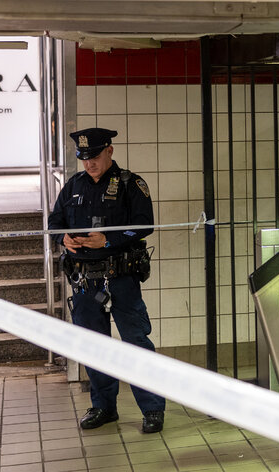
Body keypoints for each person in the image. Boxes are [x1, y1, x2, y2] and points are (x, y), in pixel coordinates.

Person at [48, 127, 165, 434]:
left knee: (136, 343)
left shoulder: (130, 184)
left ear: (109, 151)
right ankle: (103, 406)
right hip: (85, 280)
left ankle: (152, 408)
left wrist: (109, 240)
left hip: (120, 277)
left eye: (95, 157)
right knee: (93, 345)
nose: (90, 164)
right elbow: (55, 221)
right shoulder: (73, 185)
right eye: (84, 158)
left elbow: (144, 225)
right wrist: (64, 237)